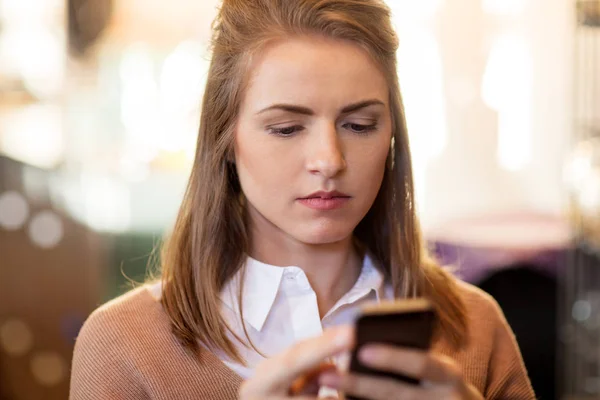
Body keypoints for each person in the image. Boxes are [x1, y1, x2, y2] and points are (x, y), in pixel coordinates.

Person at [70, 0, 536, 399]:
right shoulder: (123, 346)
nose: (329, 160)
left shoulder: (475, 328)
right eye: (287, 128)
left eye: (359, 125)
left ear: (393, 135)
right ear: (225, 139)